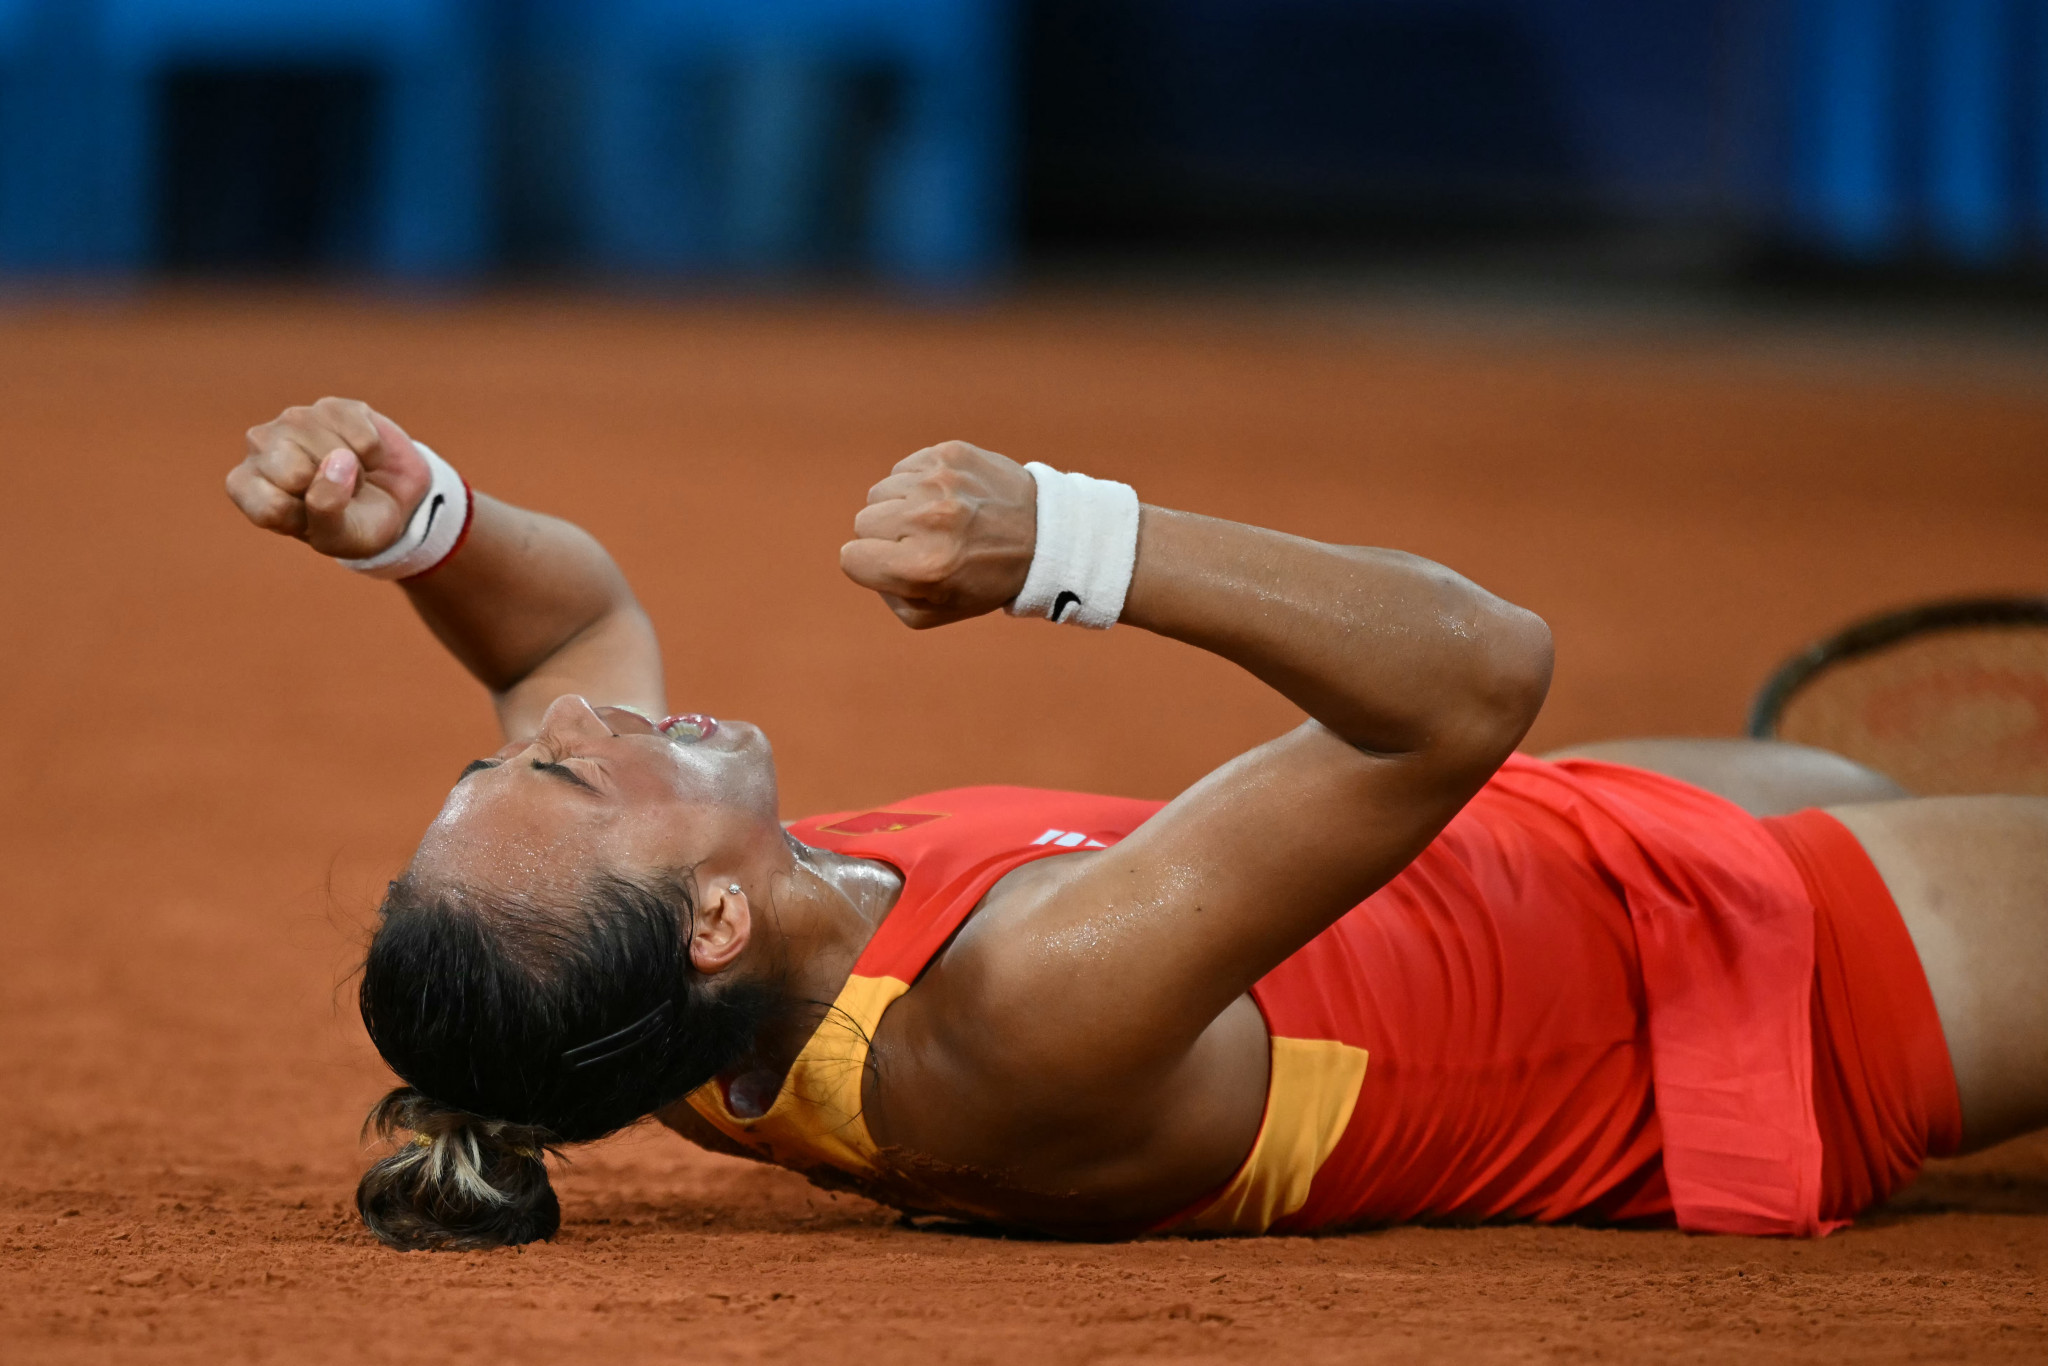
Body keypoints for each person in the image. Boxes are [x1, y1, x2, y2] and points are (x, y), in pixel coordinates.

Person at [225, 397, 2048, 1251]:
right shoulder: (1027, 1004)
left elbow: (556, 632)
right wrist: (1080, 543)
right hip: (1753, 988)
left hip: (1547, 855)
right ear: (702, 918)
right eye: (559, 773)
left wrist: (419, 526)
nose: (578, 720)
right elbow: (1480, 672)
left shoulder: (674, 1027)